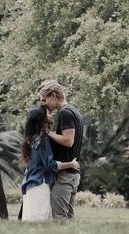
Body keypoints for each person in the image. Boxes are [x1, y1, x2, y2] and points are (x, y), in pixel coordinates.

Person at [21, 105, 79, 222]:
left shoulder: (33, 138)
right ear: (42, 118)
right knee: (38, 221)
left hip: (31, 183)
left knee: (30, 221)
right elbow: (50, 165)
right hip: (39, 184)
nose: (51, 114)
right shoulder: (41, 140)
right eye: (48, 113)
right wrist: (71, 164)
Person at [38, 80, 84, 219]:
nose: (43, 104)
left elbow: (68, 141)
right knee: (69, 217)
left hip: (65, 175)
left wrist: (47, 132)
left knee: (60, 218)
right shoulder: (74, 111)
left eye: (44, 100)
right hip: (71, 174)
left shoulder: (65, 113)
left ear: (53, 96)